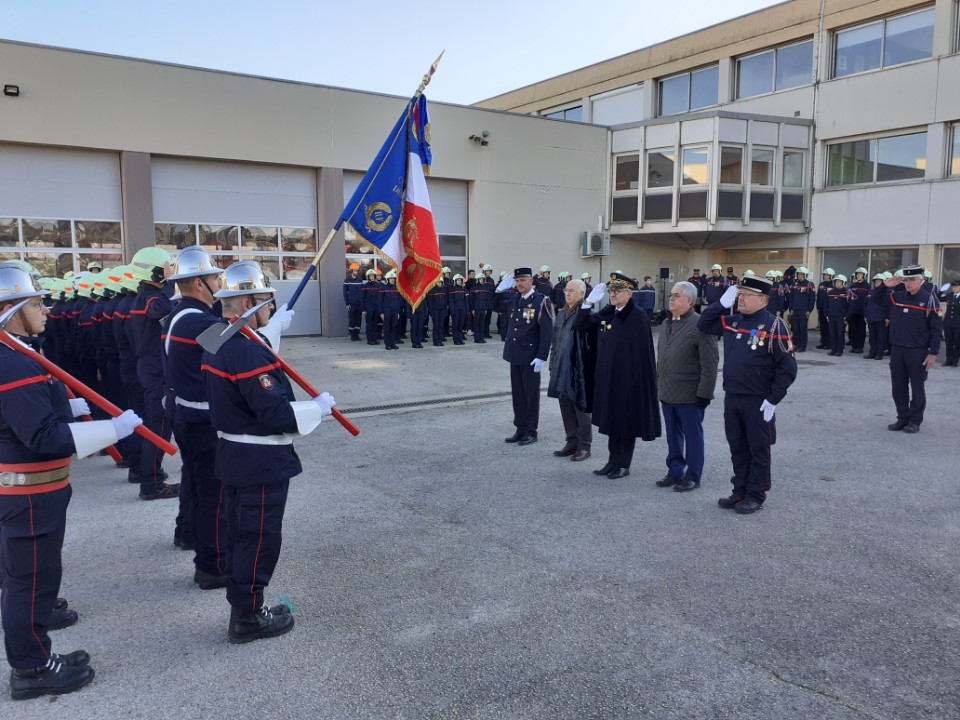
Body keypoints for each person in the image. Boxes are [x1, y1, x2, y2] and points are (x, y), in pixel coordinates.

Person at [1, 265, 142, 699]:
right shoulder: (13, 361)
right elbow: (41, 437)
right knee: (30, 580)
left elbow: (32, 413)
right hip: (29, 491)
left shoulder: (19, 352)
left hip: (36, 488)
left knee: (34, 576)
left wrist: (70, 405)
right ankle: (32, 667)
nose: (46, 310)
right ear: (10, 311)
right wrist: (109, 431)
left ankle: (37, 653)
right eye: (37, 303)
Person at [202, 261, 335, 643]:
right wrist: (316, 409)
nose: (270, 309)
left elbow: (255, 345)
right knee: (258, 539)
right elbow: (274, 413)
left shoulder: (219, 337)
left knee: (242, 535)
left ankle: (245, 606)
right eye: (265, 301)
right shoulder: (246, 352)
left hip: (235, 455)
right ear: (245, 302)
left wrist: (271, 329)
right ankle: (248, 616)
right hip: (258, 461)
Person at [163, 248, 233, 586]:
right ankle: (212, 565)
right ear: (197, 283)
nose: (220, 281)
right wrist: (271, 327)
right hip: (202, 420)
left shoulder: (183, 313)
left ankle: (187, 533)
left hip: (186, 414)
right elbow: (236, 351)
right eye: (215, 276)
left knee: (193, 484)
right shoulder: (198, 320)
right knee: (214, 496)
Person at [698, 275, 797, 514]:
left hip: (759, 400)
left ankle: (755, 494)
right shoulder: (735, 321)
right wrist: (720, 305)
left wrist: (773, 399)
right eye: (739, 294)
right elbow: (704, 324)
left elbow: (788, 369)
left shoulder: (775, 326)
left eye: (745, 295)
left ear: (762, 300)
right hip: (733, 396)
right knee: (738, 447)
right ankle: (739, 490)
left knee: (758, 448)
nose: (740, 299)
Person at [575, 273, 661, 478]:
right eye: (611, 290)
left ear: (628, 294)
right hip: (609, 376)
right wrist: (587, 303)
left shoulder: (637, 315)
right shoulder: (610, 311)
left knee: (626, 421)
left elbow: (641, 353)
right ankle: (612, 461)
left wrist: (635, 380)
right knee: (612, 420)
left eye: (617, 291)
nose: (612, 294)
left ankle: (623, 464)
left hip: (628, 378)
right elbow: (581, 325)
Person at [655, 281, 718, 492]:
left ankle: (693, 475)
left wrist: (705, 393)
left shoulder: (701, 325)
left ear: (689, 301)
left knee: (693, 437)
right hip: (668, 390)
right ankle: (674, 471)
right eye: (671, 295)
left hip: (690, 393)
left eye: (677, 295)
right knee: (673, 436)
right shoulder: (666, 324)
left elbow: (709, 363)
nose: (671, 298)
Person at [128, 247, 179, 500]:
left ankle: (152, 476)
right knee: (158, 425)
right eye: (167, 270)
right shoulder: (149, 295)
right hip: (154, 369)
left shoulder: (146, 294)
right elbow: (159, 309)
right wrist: (171, 284)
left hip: (152, 367)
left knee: (159, 424)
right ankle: (151, 483)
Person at [882, 266, 942, 434]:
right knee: (898, 386)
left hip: (918, 351)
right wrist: (885, 286)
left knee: (917, 387)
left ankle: (915, 421)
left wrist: (933, 353)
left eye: (912, 280)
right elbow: (875, 300)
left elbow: (936, 329)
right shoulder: (898, 297)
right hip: (898, 348)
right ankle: (902, 417)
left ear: (921, 280)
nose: (908, 283)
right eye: (906, 280)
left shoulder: (930, 300)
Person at [497, 267, 552, 445]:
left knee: (531, 395)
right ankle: (520, 428)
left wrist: (542, 356)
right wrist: (498, 291)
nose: (519, 283)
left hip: (530, 356)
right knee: (518, 394)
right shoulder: (515, 298)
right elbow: (495, 306)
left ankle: (531, 431)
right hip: (515, 354)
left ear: (531, 281)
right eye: (517, 280)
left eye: (523, 280)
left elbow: (547, 332)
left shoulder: (541, 301)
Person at [547, 279, 594, 462]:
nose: (567, 293)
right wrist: (552, 364)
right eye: (566, 290)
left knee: (581, 408)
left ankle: (584, 446)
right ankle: (571, 442)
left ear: (582, 294)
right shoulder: (561, 313)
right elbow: (555, 341)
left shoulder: (586, 314)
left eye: (572, 291)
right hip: (561, 366)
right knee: (565, 405)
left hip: (578, 368)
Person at [787, 266, 816, 352]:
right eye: (798, 274)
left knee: (802, 329)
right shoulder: (794, 284)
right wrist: (791, 308)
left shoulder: (809, 284)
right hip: (795, 310)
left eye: (801, 274)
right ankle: (796, 344)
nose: (799, 276)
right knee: (795, 328)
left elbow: (812, 298)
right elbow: (791, 297)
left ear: (805, 275)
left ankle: (802, 346)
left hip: (804, 310)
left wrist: (809, 310)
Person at [864, 272, 890, 360]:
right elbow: (866, 304)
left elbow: (889, 306)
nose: (877, 283)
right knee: (872, 337)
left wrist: (887, 318)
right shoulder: (871, 292)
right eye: (876, 281)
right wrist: (866, 315)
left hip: (881, 318)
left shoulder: (886, 293)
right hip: (871, 318)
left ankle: (879, 354)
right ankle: (872, 352)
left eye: (879, 281)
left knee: (880, 337)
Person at [825, 274, 849, 356]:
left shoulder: (847, 292)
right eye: (836, 282)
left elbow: (850, 306)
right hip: (831, 316)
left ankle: (840, 350)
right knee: (832, 333)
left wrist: (847, 317)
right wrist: (826, 314)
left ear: (843, 283)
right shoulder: (831, 292)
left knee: (840, 334)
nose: (837, 283)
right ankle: (833, 349)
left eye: (839, 282)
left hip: (841, 317)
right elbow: (826, 304)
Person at [847, 267, 870, 353]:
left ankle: (860, 347)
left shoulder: (868, 286)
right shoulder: (852, 286)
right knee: (852, 329)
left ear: (864, 276)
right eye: (857, 274)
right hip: (853, 311)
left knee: (861, 330)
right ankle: (854, 346)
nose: (858, 276)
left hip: (862, 312)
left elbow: (868, 300)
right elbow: (849, 298)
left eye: (860, 274)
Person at [379, 269, 402, 350]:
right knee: (387, 328)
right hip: (386, 311)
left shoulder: (397, 288)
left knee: (393, 327)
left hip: (395, 311)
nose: (392, 280)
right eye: (391, 278)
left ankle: (393, 343)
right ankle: (387, 344)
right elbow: (380, 301)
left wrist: (398, 312)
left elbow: (399, 301)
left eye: (393, 278)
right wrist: (381, 312)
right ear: (387, 279)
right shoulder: (383, 288)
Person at [342, 263, 363, 341]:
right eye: (355, 270)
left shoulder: (360, 281)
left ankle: (357, 334)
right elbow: (345, 293)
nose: (356, 272)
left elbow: (362, 293)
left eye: (357, 270)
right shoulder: (347, 281)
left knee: (358, 319)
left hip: (359, 304)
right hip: (352, 304)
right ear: (351, 271)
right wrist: (347, 304)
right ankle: (352, 335)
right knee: (352, 319)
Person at [815, 268, 835, 350]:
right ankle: (823, 342)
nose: (825, 277)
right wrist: (818, 307)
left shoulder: (833, 285)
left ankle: (829, 343)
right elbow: (818, 296)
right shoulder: (821, 284)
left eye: (827, 275)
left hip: (829, 309)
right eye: (824, 275)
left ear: (831, 276)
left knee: (829, 327)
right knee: (822, 327)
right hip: (821, 308)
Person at [942, 279, 960, 366]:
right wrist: (942, 290)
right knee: (948, 342)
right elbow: (939, 297)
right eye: (953, 286)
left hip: (958, 324)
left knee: (957, 342)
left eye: (956, 286)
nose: (954, 288)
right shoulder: (949, 295)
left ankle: (955, 360)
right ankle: (949, 359)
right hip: (948, 322)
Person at [361, 269, 381, 345]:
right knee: (369, 324)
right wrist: (363, 309)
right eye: (370, 276)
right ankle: (370, 340)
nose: (372, 277)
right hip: (368, 308)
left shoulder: (378, 285)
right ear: (368, 277)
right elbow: (362, 298)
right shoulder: (365, 286)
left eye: (373, 276)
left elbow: (380, 298)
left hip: (376, 308)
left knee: (375, 324)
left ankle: (375, 339)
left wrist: (380, 309)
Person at [448, 274, 469, 345]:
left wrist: (467, 310)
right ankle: (456, 340)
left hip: (462, 309)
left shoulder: (463, 290)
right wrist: (452, 311)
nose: (460, 282)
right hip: (456, 310)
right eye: (458, 280)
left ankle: (460, 339)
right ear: (455, 281)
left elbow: (465, 301)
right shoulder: (452, 289)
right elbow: (451, 301)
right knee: (455, 325)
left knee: (461, 325)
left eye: (460, 280)